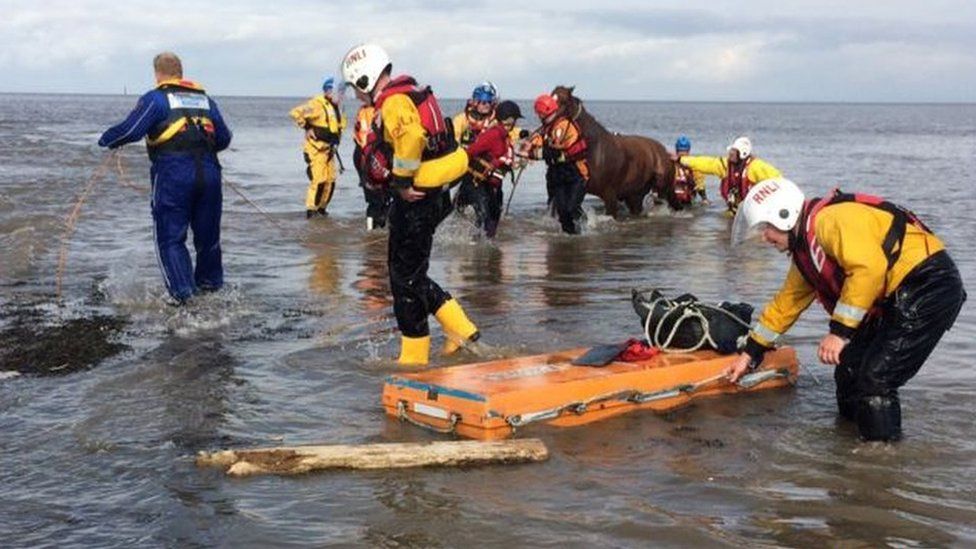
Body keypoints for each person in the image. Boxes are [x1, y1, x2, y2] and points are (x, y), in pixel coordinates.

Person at [725, 178, 965, 442]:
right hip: (898, 296)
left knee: (876, 378)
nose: (764, 237)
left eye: (766, 228)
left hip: (929, 285)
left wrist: (838, 334)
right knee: (848, 371)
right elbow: (786, 304)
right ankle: (850, 447)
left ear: (784, 217)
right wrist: (749, 354)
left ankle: (880, 458)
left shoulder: (830, 222)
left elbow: (867, 270)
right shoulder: (806, 250)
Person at [341, 43, 480, 365]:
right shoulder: (409, 92)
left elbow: (412, 139)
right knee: (412, 273)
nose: (357, 95)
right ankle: (462, 330)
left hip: (418, 196)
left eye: (355, 88)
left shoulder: (394, 102)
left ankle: (414, 358)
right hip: (437, 190)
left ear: (364, 79)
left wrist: (402, 183)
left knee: (403, 279)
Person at [98, 52, 232, 305]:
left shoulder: (156, 99)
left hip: (174, 175)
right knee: (208, 238)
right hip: (210, 175)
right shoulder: (206, 101)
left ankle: (185, 299)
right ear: (180, 73)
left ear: (157, 74)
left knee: (170, 238)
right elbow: (224, 138)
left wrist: (106, 140)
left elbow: (130, 130)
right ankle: (212, 292)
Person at [523, 93, 589, 234]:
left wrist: (530, 154)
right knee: (561, 210)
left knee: (571, 208)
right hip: (557, 174)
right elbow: (540, 141)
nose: (538, 116)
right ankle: (570, 237)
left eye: (539, 113)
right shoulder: (548, 127)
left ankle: (583, 229)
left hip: (575, 173)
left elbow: (555, 152)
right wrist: (529, 144)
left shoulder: (563, 127)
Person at [455, 100, 522, 238]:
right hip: (475, 183)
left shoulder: (504, 136)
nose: (515, 124)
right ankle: (477, 247)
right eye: (514, 120)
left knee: (494, 215)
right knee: (484, 217)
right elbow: (470, 152)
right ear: (509, 120)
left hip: (488, 184)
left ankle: (487, 248)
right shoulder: (493, 135)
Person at [677, 136, 780, 214]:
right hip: (733, 212)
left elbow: (779, 181)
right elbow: (706, 163)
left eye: (733, 151)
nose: (730, 153)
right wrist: (681, 160)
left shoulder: (756, 167)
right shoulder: (725, 166)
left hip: (751, 212)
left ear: (742, 153)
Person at [289, 77, 347, 218]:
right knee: (319, 180)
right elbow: (295, 112)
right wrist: (308, 127)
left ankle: (322, 210)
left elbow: (338, 128)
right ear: (328, 91)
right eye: (339, 92)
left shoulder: (338, 108)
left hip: (330, 150)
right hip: (316, 150)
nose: (341, 95)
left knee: (331, 182)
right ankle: (311, 211)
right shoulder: (317, 105)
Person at [351, 103, 390, 229]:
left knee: (379, 198)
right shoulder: (370, 111)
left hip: (365, 155)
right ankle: (372, 230)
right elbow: (365, 138)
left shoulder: (365, 109)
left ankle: (374, 229)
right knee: (377, 198)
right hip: (369, 156)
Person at [452, 82, 498, 147]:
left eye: (489, 102)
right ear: (475, 102)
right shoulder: (461, 120)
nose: (487, 105)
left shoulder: (494, 123)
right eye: (484, 102)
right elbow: (454, 140)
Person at [673, 136, 707, 205]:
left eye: (684, 151)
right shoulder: (671, 164)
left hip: (687, 197)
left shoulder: (693, 165)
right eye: (681, 151)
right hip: (674, 197)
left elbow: (699, 183)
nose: (682, 153)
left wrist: (704, 198)